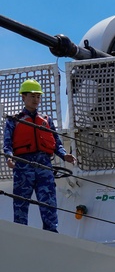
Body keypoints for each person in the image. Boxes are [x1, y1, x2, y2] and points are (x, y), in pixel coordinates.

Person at [3, 79, 73, 232]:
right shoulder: (14, 120)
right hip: (23, 166)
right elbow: (7, 145)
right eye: (32, 96)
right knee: (21, 204)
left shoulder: (46, 120)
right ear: (23, 97)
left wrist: (64, 155)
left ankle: (51, 235)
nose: (36, 100)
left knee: (48, 203)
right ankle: (20, 234)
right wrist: (9, 157)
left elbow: (56, 143)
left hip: (44, 166)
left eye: (38, 96)